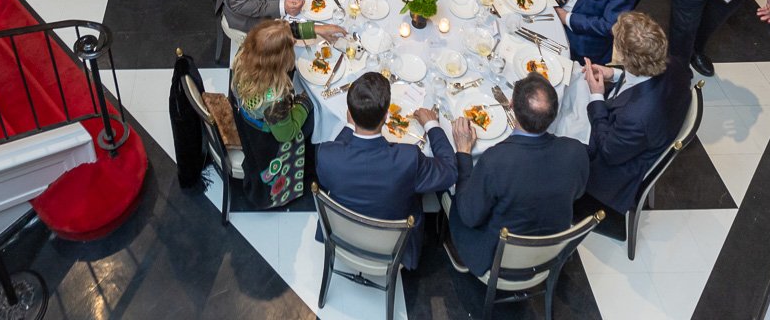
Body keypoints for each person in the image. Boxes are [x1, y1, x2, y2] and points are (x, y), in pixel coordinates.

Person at [316, 71, 462, 271]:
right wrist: (432, 125)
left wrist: (349, 128)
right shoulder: (408, 158)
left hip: (340, 234)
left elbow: (338, 157)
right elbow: (450, 171)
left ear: (349, 113)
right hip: (392, 248)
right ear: (386, 116)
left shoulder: (326, 155)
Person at [445, 74, 588, 276]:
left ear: (510, 105)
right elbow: (578, 193)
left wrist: (463, 152)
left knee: (450, 189)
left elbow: (469, 216)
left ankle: (455, 249)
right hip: (550, 252)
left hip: (496, 259)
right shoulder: (576, 152)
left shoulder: (496, 160)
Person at [578, 12, 693, 219]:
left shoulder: (636, 118)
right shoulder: (674, 64)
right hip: (643, 131)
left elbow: (608, 152)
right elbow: (642, 81)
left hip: (615, 172)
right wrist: (614, 73)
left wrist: (596, 96)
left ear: (623, 56)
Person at [229, 18, 317, 209]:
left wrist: (315, 29)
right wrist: (305, 103)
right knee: (315, 119)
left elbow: (280, 33)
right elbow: (287, 133)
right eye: (290, 47)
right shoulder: (274, 98)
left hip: (246, 116)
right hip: (268, 139)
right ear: (280, 61)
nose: (294, 43)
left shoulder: (244, 52)